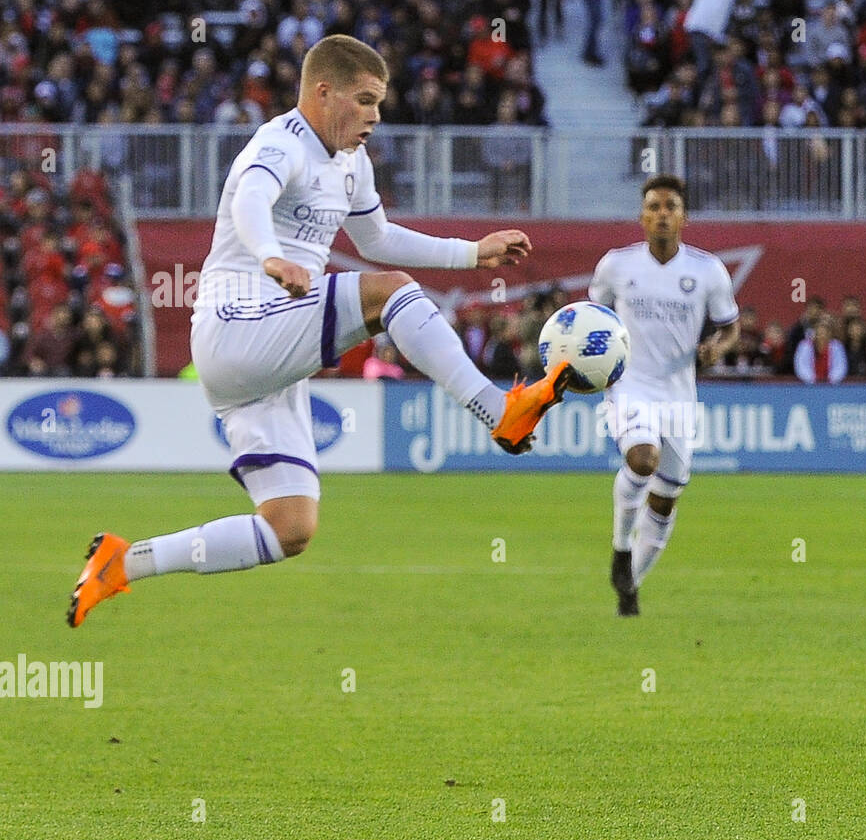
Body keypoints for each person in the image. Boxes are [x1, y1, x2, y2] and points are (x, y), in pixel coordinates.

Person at [68, 35, 573, 628]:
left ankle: (124, 563)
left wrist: (471, 253)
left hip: (266, 357)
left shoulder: (351, 162)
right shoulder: (282, 143)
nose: (376, 117)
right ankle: (498, 409)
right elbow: (250, 200)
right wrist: (268, 256)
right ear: (324, 93)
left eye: (379, 103)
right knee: (388, 291)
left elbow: (377, 239)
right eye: (365, 101)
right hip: (238, 324)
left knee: (290, 527)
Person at [590, 174, 740, 616]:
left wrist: (718, 346)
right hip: (630, 384)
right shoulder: (616, 266)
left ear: (684, 217)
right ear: (642, 216)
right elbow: (592, 318)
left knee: (666, 497)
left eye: (670, 207)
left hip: (679, 396)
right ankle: (620, 547)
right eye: (653, 207)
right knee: (642, 459)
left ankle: (630, 584)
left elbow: (730, 326)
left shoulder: (707, 270)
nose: (661, 214)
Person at [793, 316, 847, 383]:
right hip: (808, 385)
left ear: (830, 334)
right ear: (815, 334)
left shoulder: (837, 346)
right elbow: (801, 365)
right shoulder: (805, 346)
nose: (822, 336)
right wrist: (812, 380)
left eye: (825, 333)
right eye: (819, 333)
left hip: (832, 385)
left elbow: (840, 366)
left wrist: (831, 381)